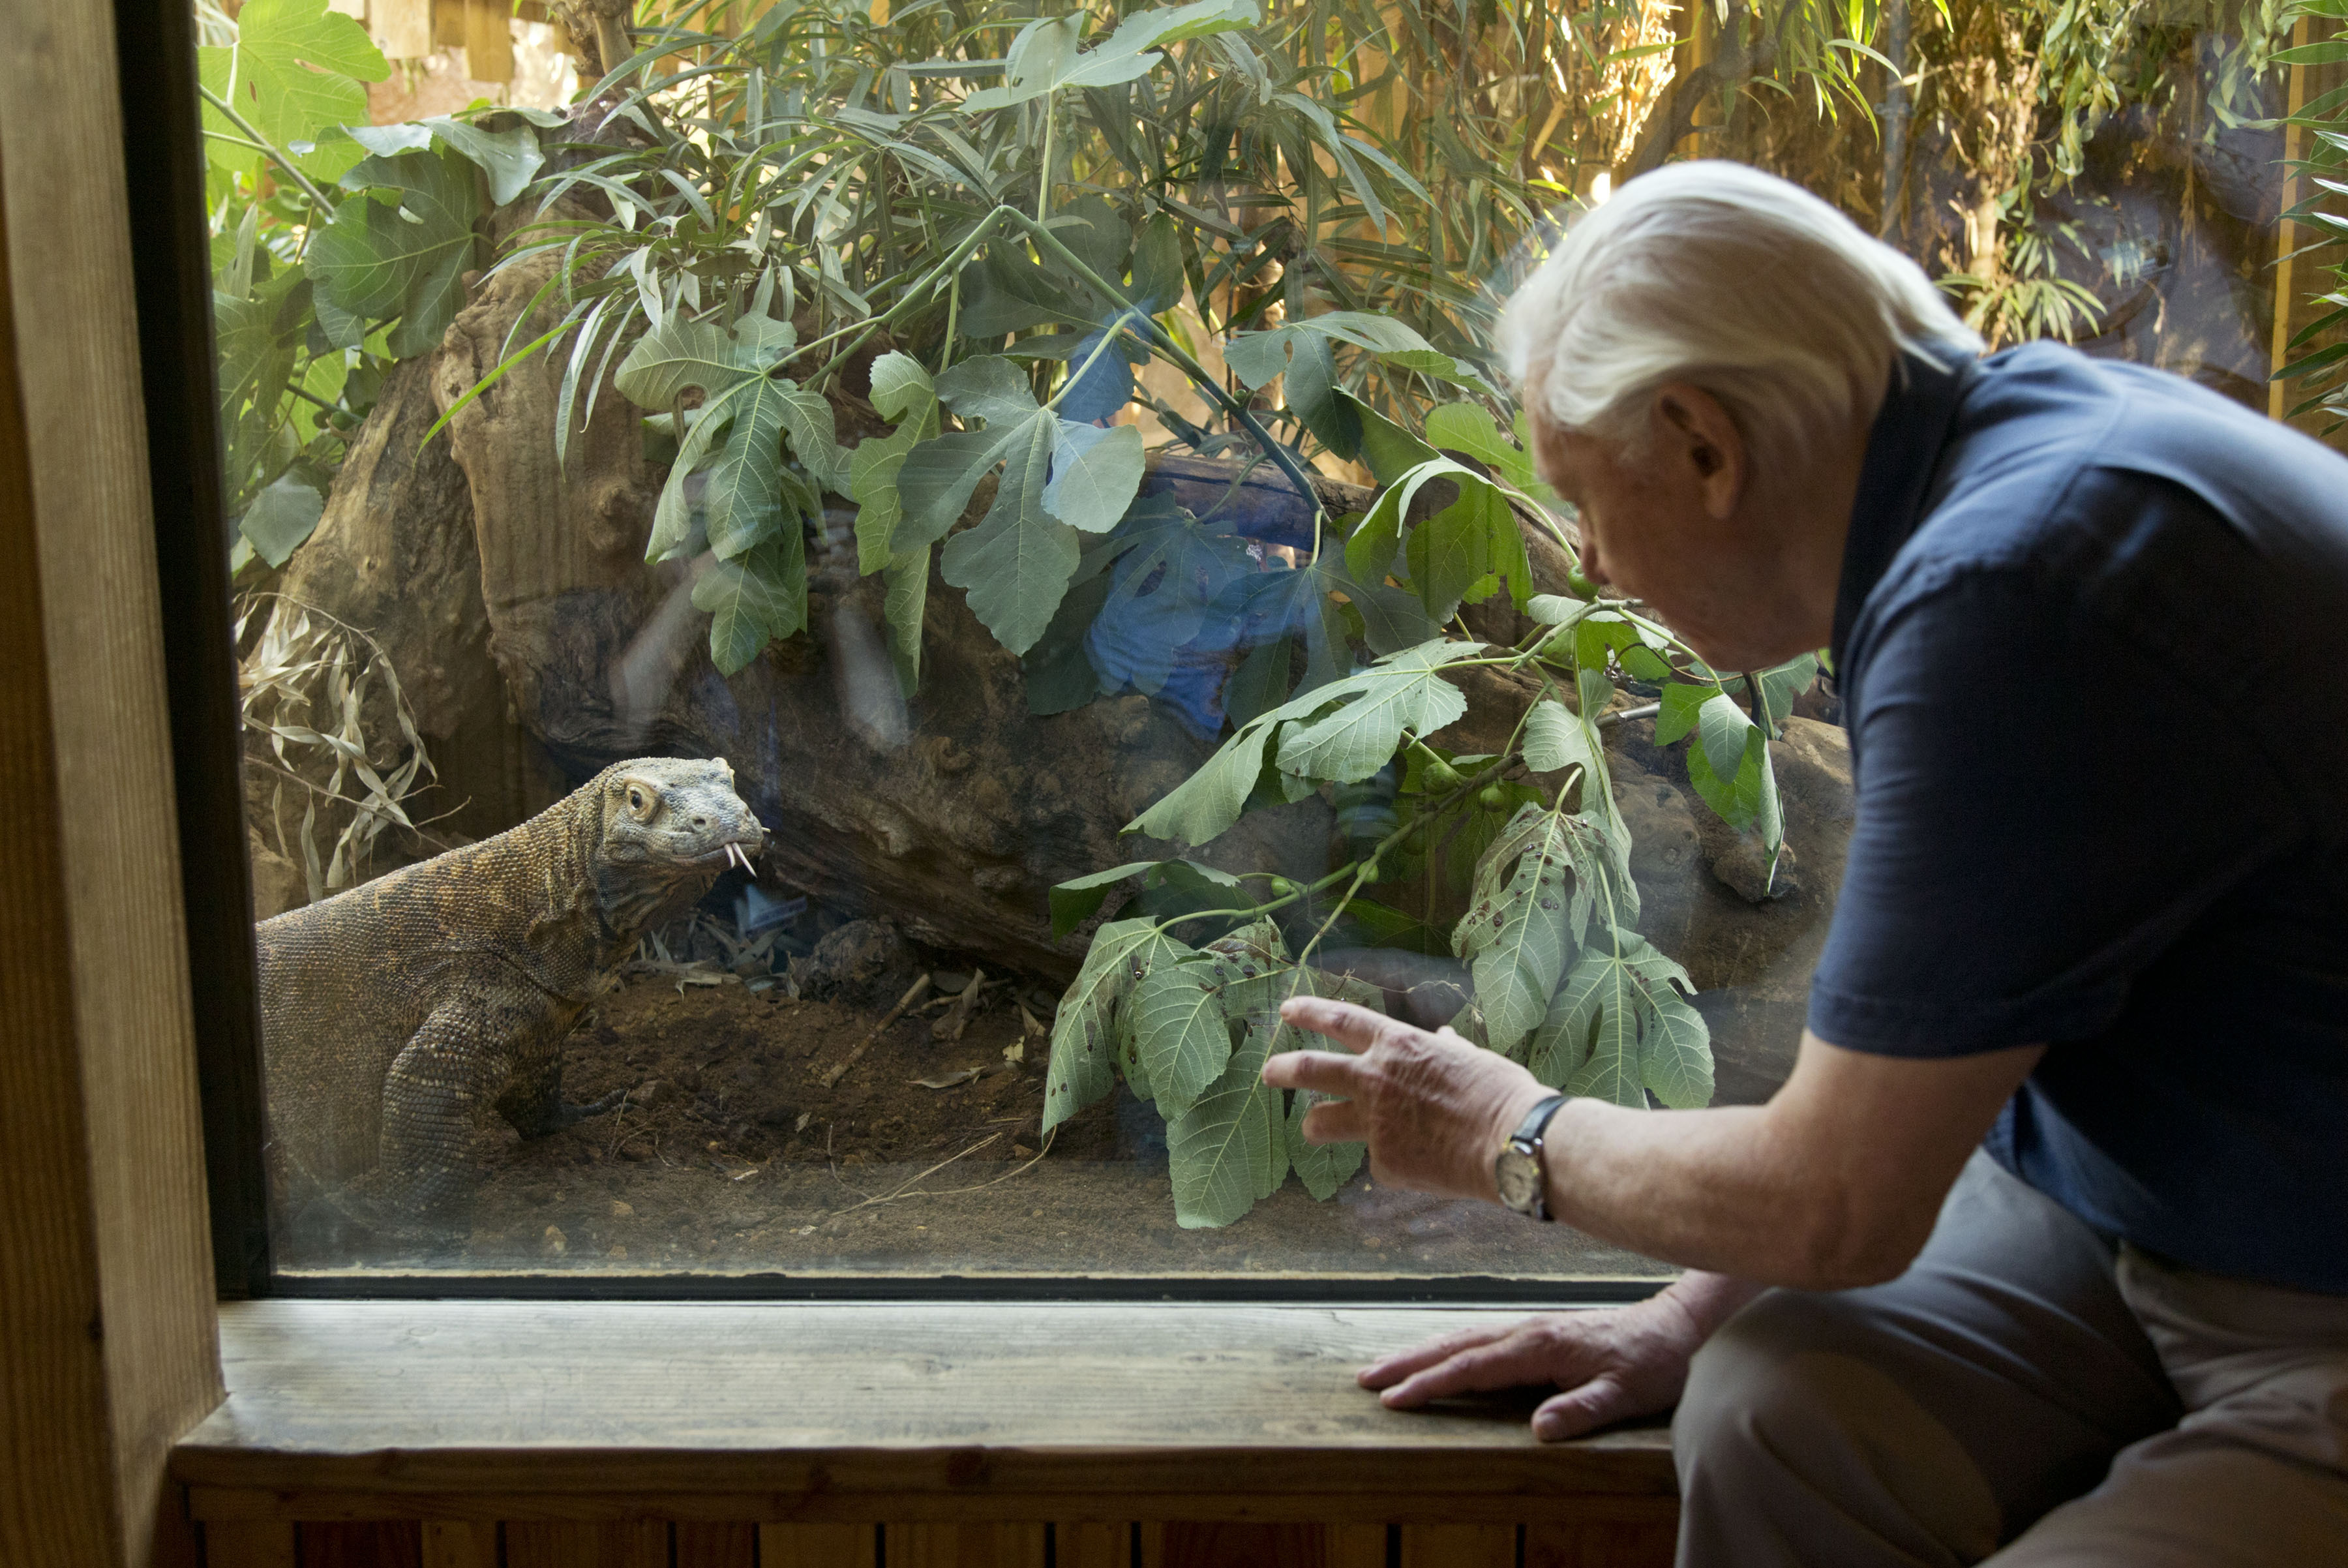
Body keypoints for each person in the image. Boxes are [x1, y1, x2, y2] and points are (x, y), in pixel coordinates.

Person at [1260, 160, 2348, 1567]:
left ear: (1704, 443)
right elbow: (1914, 1089)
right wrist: (1681, 1311)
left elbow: (1838, 1196)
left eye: (1585, 496)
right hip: (2143, 1210)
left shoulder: (2015, 590)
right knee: (1772, 1408)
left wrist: (1505, 1134)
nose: (1587, 559)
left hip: (2312, 1300)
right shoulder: (2018, 465)